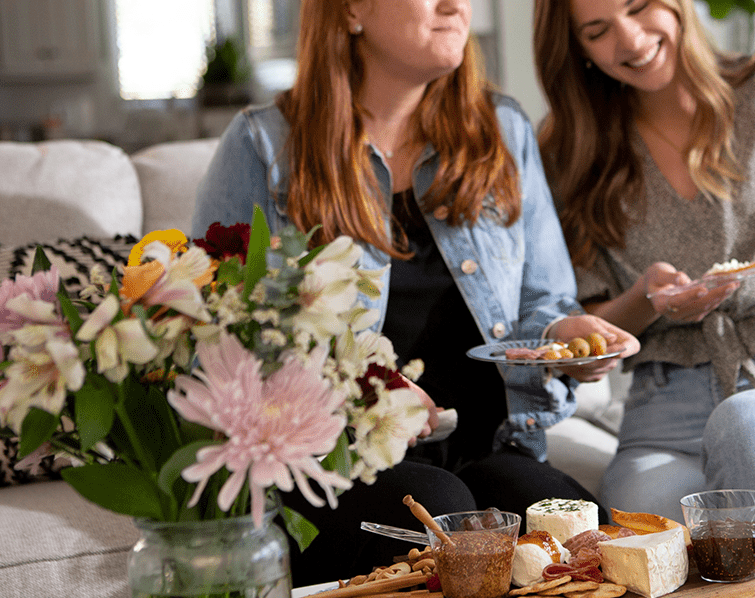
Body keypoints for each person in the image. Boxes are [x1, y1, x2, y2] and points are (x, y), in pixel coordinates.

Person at [194, 0, 637, 586]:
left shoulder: (502, 128)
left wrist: (564, 333)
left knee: (589, 542)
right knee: (449, 527)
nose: (457, 6)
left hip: (492, 445)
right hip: (339, 468)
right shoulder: (263, 147)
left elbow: (545, 302)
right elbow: (223, 341)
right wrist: (366, 388)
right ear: (352, 11)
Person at [533, 0, 755, 565]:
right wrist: (647, 301)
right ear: (577, 50)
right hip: (664, 417)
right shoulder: (569, 151)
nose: (629, 40)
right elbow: (592, 322)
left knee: (750, 422)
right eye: (598, 31)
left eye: (639, 6)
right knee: (647, 533)